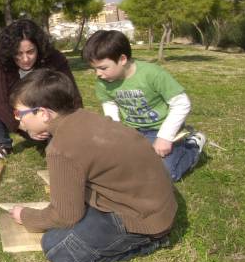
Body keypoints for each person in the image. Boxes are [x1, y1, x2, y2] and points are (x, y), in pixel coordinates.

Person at [8, 69, 177, 262]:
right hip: (155, 203)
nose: (19, 121)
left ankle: (150, 243)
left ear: (43, 113)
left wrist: (26, 216)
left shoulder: (61, 148)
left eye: (19, 113)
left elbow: (65, 216)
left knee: (56, 248)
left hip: (144, 219)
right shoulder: (84, 117)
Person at [82, 30, 206, 181]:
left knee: (165, 174)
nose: (98, 74)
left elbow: (182, 103)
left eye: (102, 68)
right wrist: (116, 133)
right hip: (133, 131)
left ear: (122, 59)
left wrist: (165, 137)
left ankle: (193, 147)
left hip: (162, 129)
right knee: (119, 167)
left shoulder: (152, 74)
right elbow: (110, 105)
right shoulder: (103, 82)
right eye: (94, 69)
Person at [0, 19, 82, 163]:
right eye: (18, 54)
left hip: (48, 117)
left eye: (30, 52)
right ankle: (1, 143)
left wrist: (67, 126)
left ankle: (52, 139)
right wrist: (25, 128)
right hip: (20, 118)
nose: (25, 59)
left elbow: (72, 95)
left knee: (61, 151)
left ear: (39, 47)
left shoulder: (54, 58)